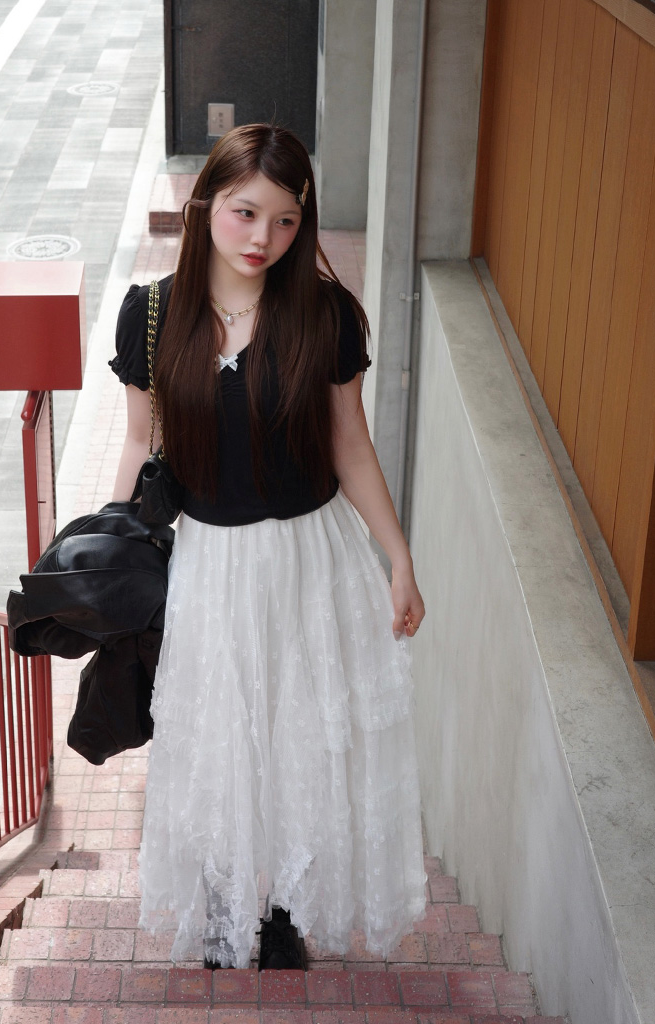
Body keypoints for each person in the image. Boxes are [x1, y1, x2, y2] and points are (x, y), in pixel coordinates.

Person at [110, 123, 426, 970]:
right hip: (209, 565)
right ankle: (222, 910)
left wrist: (397, 558)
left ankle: (283, 913)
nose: (264, 238)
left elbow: (350, 443)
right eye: (246, 212)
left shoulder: (326, 315)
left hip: (309, 561)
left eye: (286, 221)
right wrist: (113, 552)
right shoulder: (151, 316)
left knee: (300, 745)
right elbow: (140, 440)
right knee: (217, 741)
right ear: (205, 204)